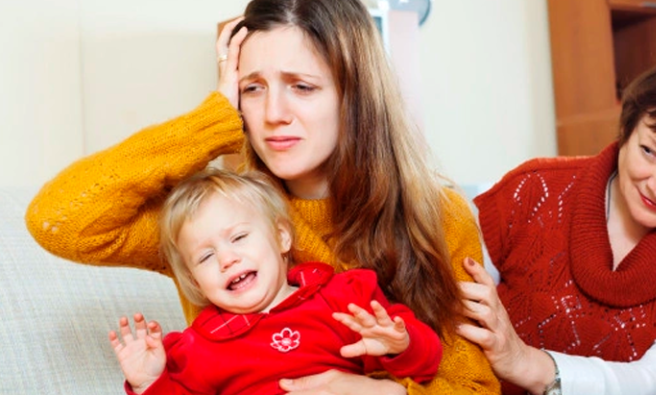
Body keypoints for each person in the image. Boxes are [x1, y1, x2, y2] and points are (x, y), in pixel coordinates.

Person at [24, 0, 499, 393]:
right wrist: (210, 122)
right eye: (253, 88)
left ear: (354, 95)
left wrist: (385, 391)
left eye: (302, 86)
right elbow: (58, 219)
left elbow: (473, 385)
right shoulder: (214, 222)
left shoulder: (436, 213)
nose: (273, 113)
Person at [457, 52, 656, 395]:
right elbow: (444, 311)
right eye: (650, 152)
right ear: (627, 129)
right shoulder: (532, 189)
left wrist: (527, 363)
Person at [109, 169, 442, 395]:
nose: (227, 259)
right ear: (194, 281)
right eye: (206, 257)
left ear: (282, 237)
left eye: (239, 237)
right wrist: (151, 382)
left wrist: (401, 345)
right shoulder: (199, 348)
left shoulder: (343, 299)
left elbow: (427, 364)